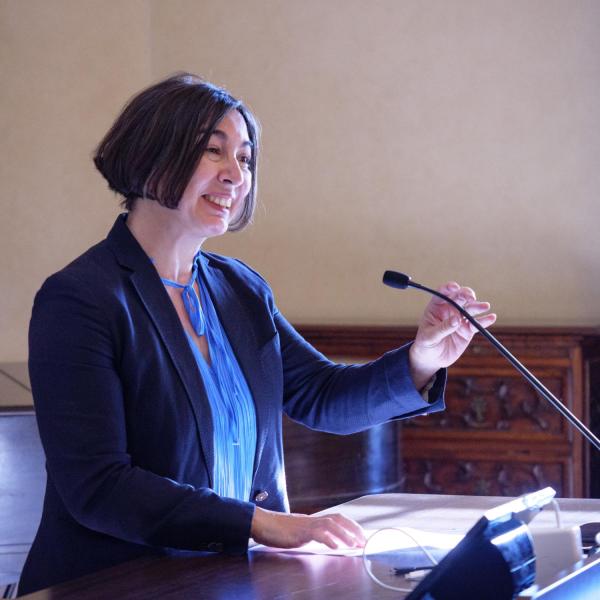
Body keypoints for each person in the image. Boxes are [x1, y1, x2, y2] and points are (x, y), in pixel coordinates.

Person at [19, 73, 496, 594]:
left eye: (245, 158)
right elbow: (99, 487)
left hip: (224, 579)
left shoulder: (239, 289)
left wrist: (424, 357)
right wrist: (264, 524)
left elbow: (322, 395)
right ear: (152, 156)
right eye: (213, 151)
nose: (235, 175)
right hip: (116, 584)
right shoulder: (80, 299)